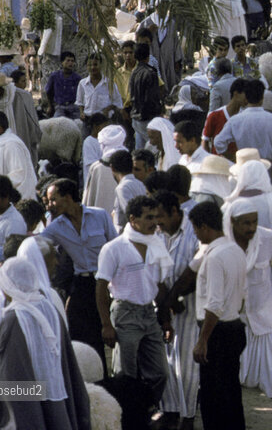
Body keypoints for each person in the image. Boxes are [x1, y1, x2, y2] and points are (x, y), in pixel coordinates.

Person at [0, 257, 91, 430]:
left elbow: (4, 370)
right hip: (58, 398)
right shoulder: (50, 310)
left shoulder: (13, 318)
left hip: (28, 405)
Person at [224, 198, 272, 430]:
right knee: (228, 384)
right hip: (233, 322)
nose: (251, 228)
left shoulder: (268, 238)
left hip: (265, 318)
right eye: (245, 223)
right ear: (233, 223)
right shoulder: (222, 244)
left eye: (254, 222)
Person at [96, 194, 171, 407]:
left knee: (160, 374)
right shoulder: (114, 248)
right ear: (132, 220)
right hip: (125, 314)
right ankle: (124, 417)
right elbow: (101, 287)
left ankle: (143, 410)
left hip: (149, 314)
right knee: (125, 375)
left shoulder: (157, 245)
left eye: (155, 217)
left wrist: (165, 320)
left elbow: (160, 285)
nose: (154, 222)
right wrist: (106, 325)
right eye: (148, 217)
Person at [42, 178, 117, 371]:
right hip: (82, 287)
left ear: (68, 197)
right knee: (79, 336)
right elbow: (36, 245)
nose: (50, 205)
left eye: (53, 199)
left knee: (106, 335)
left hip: (107, 284)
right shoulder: (55, 227)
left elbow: (115, 246)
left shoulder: (100, 216)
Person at [188, 201, 250, 430]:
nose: (195, 233)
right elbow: (241, 297)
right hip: (234, 327)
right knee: (231, 394)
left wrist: (203, 340)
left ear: (204, 227)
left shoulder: (214, 257)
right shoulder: (236, 250)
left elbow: (214, 304)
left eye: (195, 228)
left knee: (214, 399)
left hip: (218, 333)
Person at [153, 192, 200, 430]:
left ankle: (188, 417)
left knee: (189, 366)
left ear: (174, 211)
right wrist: (165, 301)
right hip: (163, 307)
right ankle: (170, 411)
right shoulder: (156, 234)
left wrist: (177, 296)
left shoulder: (193, 231)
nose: (157, 222)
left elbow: (198, 268)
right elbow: (152, 269)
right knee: (167, 362)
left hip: (190, 307)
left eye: (160, 216)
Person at [214, 79, 272, 173]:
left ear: (246, 98)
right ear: (262, 98)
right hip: (268, 169)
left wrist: (233, 158)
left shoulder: (235, 120)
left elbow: (218, 143)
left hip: (244, 167)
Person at [129, 43, 163, 149]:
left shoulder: (134, 72)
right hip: (148, 117)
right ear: (148, 57)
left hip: (136, 117)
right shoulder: (151, 73)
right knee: (154, 147)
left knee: (140, 148)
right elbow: (152, 98)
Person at [43, 51, 82, 119]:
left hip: (74, 107)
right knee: (57, 124)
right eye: (68, 61)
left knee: (78, 125)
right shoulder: (54, 76)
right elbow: (48, 92)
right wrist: (50, 106)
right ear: (62, 62)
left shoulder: (77, 78)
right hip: (60, 107)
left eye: (72, 61)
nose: (70, 63)